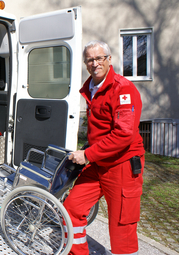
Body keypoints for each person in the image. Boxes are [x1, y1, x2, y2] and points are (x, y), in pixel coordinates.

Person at [63, 40, 145, 255]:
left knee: (121, 226)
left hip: (122, 165)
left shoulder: (123, 88)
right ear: (85, 63)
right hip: (98, 163)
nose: (95, 63)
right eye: (90, 59)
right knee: (71, 209)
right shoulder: (91, 87)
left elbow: (124, 134)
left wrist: (88, 154)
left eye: (100, 58)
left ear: (109, 60)